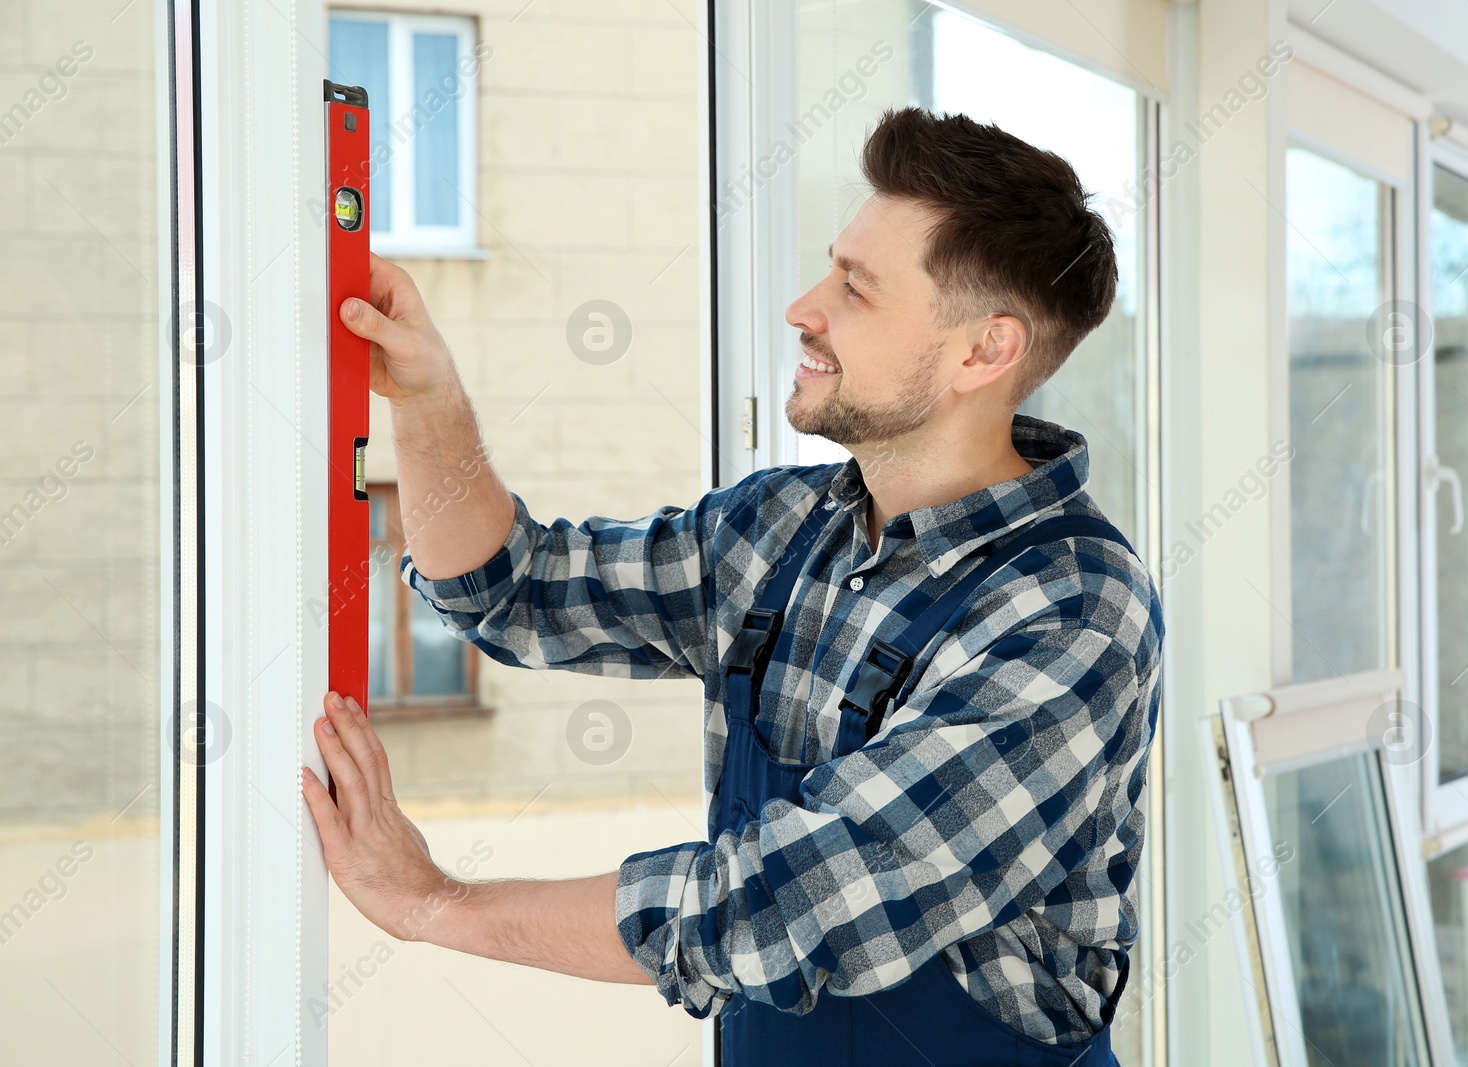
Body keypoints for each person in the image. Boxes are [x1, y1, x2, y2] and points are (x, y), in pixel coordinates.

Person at [301, 105, 1163, 1067]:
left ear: (983, 351)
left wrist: (436, 903)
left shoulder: (1075, 604)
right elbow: (518, 588)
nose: (805, 306)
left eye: (856, 288)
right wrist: (426, 398)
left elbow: (791, 904)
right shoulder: (784, 529)